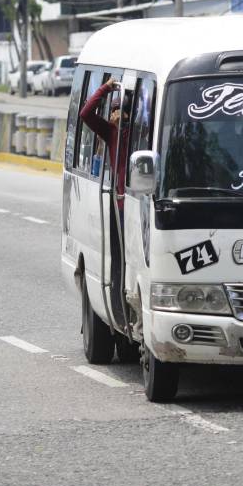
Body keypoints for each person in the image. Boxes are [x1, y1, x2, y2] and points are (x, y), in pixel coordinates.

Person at [79, 77, 131, 329]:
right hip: (121, 205)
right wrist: (106, 88)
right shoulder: (112, 133)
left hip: (142, 205)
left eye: (120, 110)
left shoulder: (140, 134)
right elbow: (85, 113)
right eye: (113, 110)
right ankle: (120, 310)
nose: (116, 114)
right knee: (120, 261)